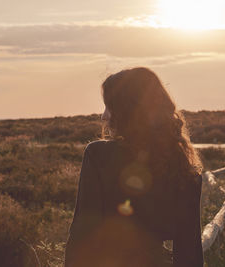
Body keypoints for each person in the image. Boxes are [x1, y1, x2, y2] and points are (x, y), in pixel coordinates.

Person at [65, 67, 203, 267]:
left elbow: (82, 232)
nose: (104, 116)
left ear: (126, 109)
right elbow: (189, 249)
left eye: (109, 106)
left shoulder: (99, 155)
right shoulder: (185, 170)